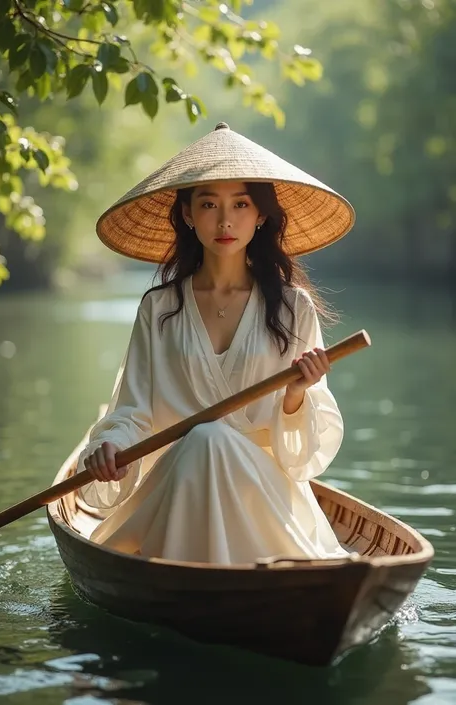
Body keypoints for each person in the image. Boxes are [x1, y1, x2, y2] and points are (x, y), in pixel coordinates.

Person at [77, 122, 356, 564]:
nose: (225, 220)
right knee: (204, 441)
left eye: (241, 204)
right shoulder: (159, 308)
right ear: (187, 214)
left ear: (261, 214)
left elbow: (304, 451)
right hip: (177, 489)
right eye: (208, 204)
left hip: (264, 499)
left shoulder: (292, 308)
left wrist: (297, 393)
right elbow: (133, 410)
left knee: (212, 439)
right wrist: (111, 446)